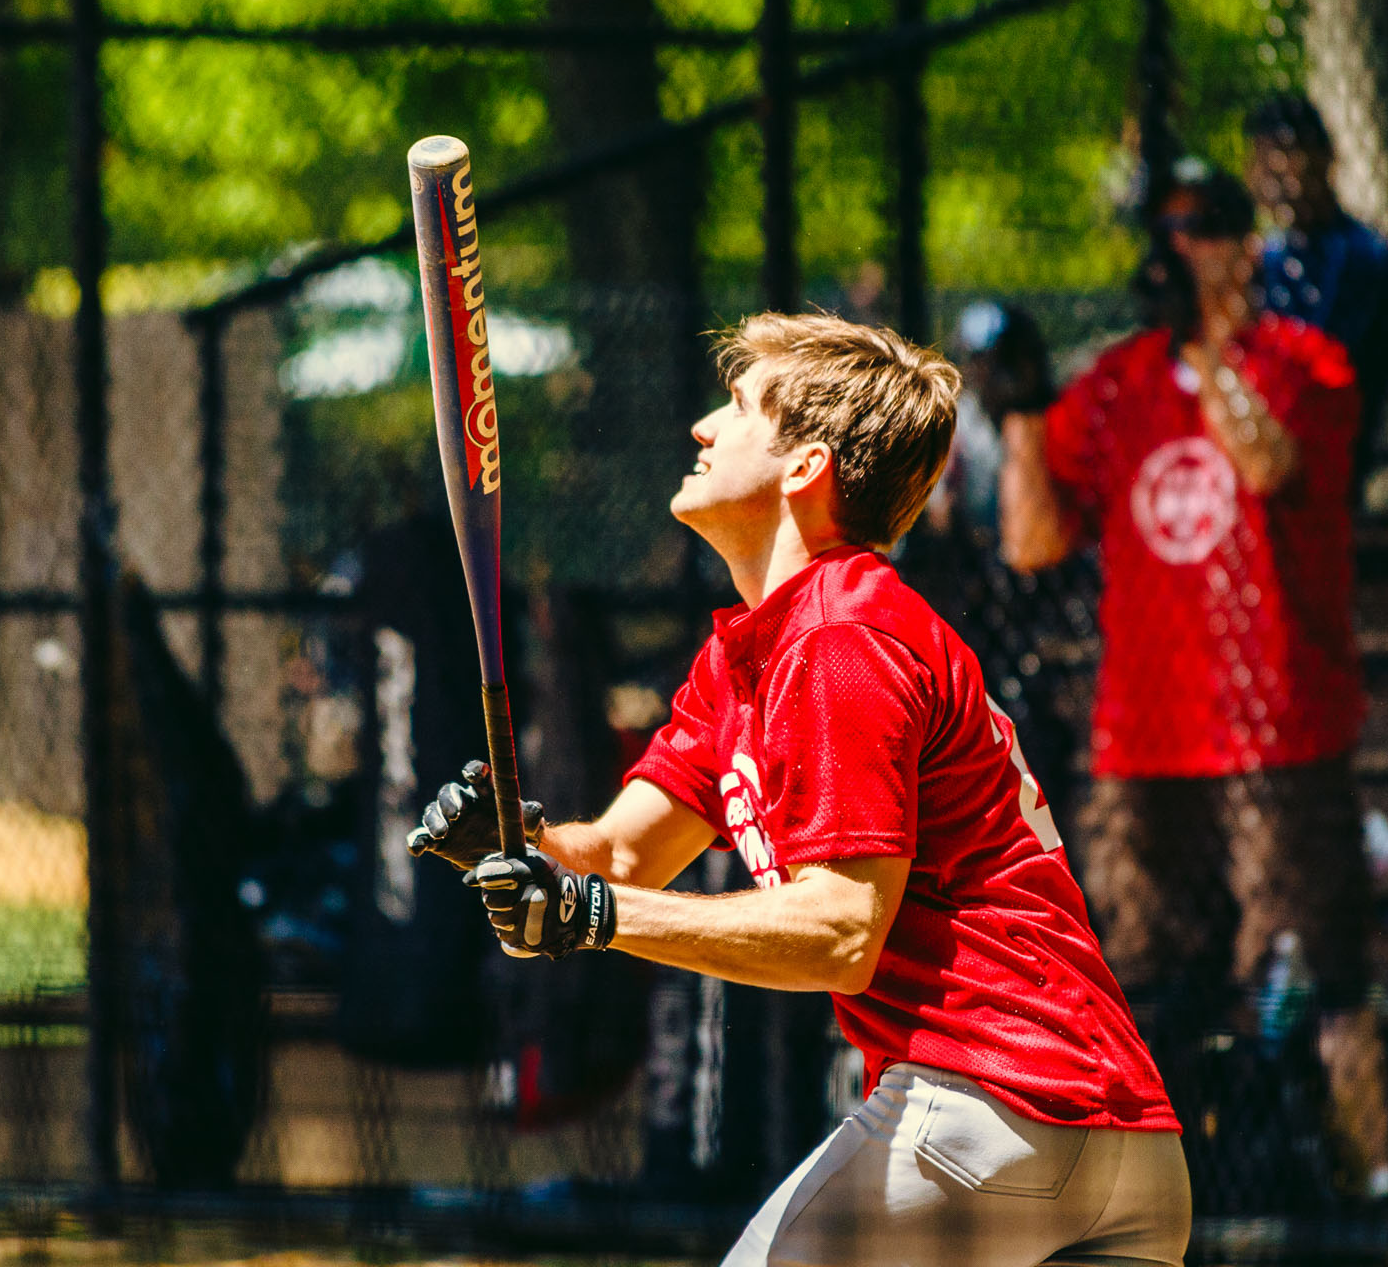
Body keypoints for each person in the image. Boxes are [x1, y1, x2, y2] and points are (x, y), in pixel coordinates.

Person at [410, 313, 1191, 1266]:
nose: (701, 426)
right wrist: (522, 846)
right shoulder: (751, 654)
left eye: (736, 407)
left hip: (990, 1107)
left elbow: (839, 934)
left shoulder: (838, 639)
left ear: (804, 469)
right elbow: (620, 856)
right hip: (1123, 1147)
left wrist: (590, 913)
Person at [993, 163, 1388, 1204]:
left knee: (1317, 979)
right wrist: (1026, 411)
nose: (1179, 249)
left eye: (1203, 231)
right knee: (1147, 983)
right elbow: (1033, 542)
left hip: (1280, 738)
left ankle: (1371, 1195)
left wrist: (1211, 345)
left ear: (1246, 248)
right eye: (1165, 231)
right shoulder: (1119, 381)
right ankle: (1164, 1200)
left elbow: (1261, 465)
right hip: (1147, 747)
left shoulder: (1304, 362)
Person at [1243, 98, 1388, 484]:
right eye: (1262, 157)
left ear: (1323, 158)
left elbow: (1333, 363)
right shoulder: (1263, 257)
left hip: (1332, 443)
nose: (1273, 173)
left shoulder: (1362, 255)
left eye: (1286, 154)